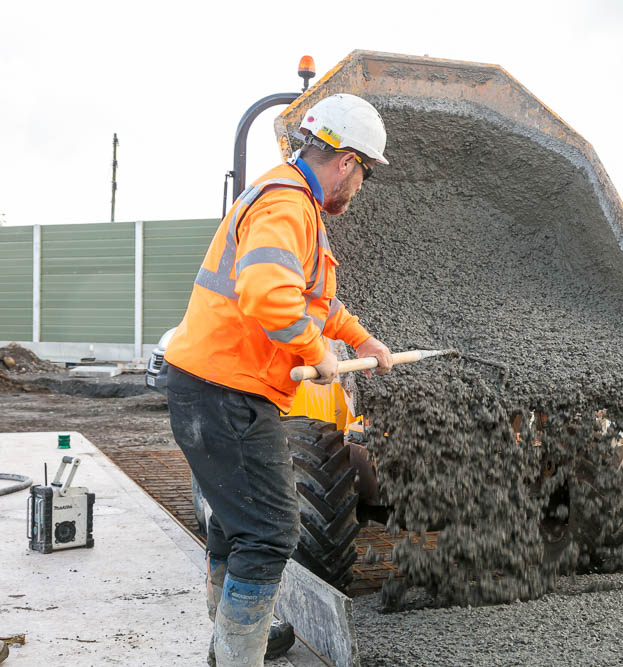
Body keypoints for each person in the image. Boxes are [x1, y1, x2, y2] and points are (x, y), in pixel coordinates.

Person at [164, 94, 393, 666]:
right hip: (227, 392)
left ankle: (234, 633)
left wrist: (360, 339)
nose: (359, 187)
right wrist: (319, 353)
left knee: (237, 523)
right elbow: (267, 291)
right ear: (344, 162)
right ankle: (237, 653)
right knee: (270, 533)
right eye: (362, 173)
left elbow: (315, 297)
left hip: (212, 386)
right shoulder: (288, 205)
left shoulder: (297, 208)